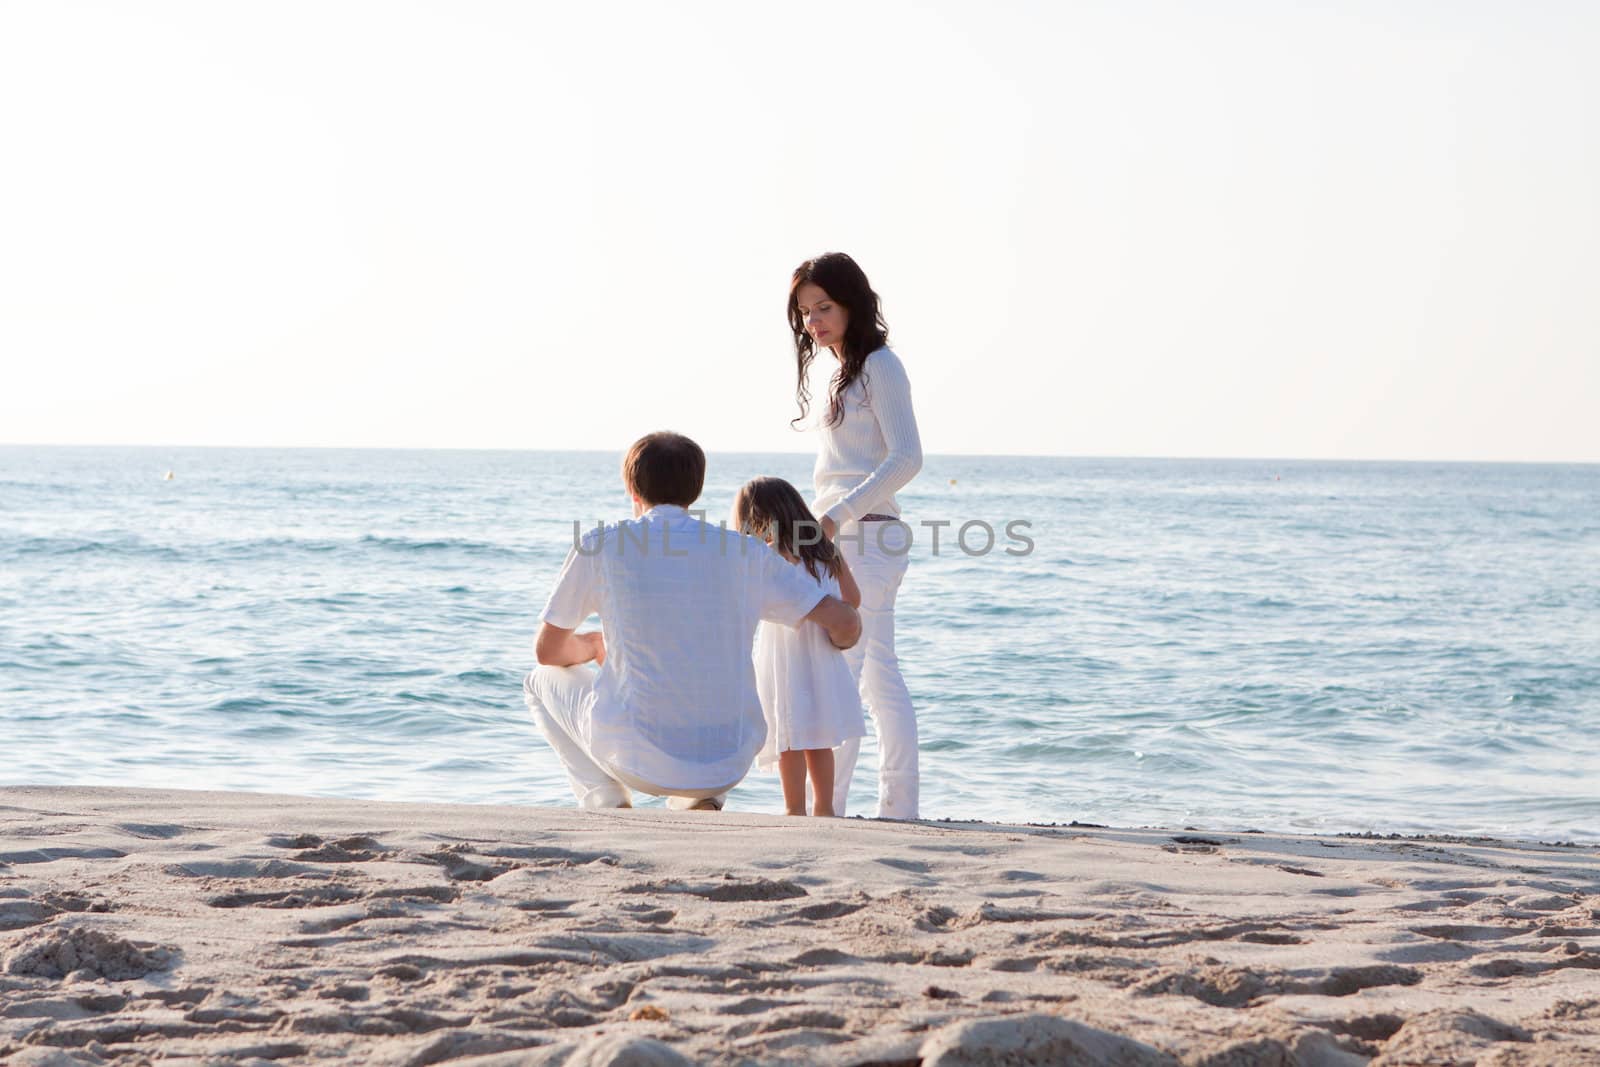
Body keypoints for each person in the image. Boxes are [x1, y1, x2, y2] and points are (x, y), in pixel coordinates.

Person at [524, 432, 861, 810]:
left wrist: (592, 646)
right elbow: (845, 621)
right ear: (696, 490)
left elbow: (548, 651)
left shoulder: (601, 545)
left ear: (632, 490)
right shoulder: (745, 552)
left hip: (633, 760)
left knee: (539, 680)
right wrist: (842, 641)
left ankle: (607, 798)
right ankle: (701, 797)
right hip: (726, 765)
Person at [788, 252, 924, 819]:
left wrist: (835, 516)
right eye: (805, 312)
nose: (814, 322)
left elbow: (907, 459)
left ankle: (832, 810)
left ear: (852, 304)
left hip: (863, 536)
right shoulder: (846, 371)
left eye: (824, 307)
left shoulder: (880, 365)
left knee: (842, 675)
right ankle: (897, 808)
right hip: (851, 533)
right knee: (874, 674)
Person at [734, 476, 867, 817]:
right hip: (822, 654)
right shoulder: (825, 552)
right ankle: (825, 807)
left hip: (782, 655)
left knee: (788, 737)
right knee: (819, 737)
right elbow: (852, 599)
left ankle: (794, 809)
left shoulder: (767, 558)